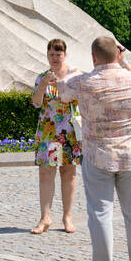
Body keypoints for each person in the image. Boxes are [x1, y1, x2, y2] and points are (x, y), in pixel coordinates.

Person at [51, 36, 131, 261]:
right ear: (118, 54)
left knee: (100, 214)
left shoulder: (85, 82)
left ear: (93, 57)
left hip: (98, 156)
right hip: (130, 156)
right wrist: (125, 62)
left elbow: (62, 92)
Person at [29, 39, 81, 235]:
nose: (55, 58)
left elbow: (81, 98)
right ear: (47, 55)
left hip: (68, 131)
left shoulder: (74, 74)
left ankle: (67, 217)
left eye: (58, 54)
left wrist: (62, 87)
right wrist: (42, 85)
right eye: (51, 54)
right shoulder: (42, 76)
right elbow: (36, 103)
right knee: (46, 172)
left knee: (68, 172)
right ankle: (45, 218)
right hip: (50, 132)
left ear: (65, 55)